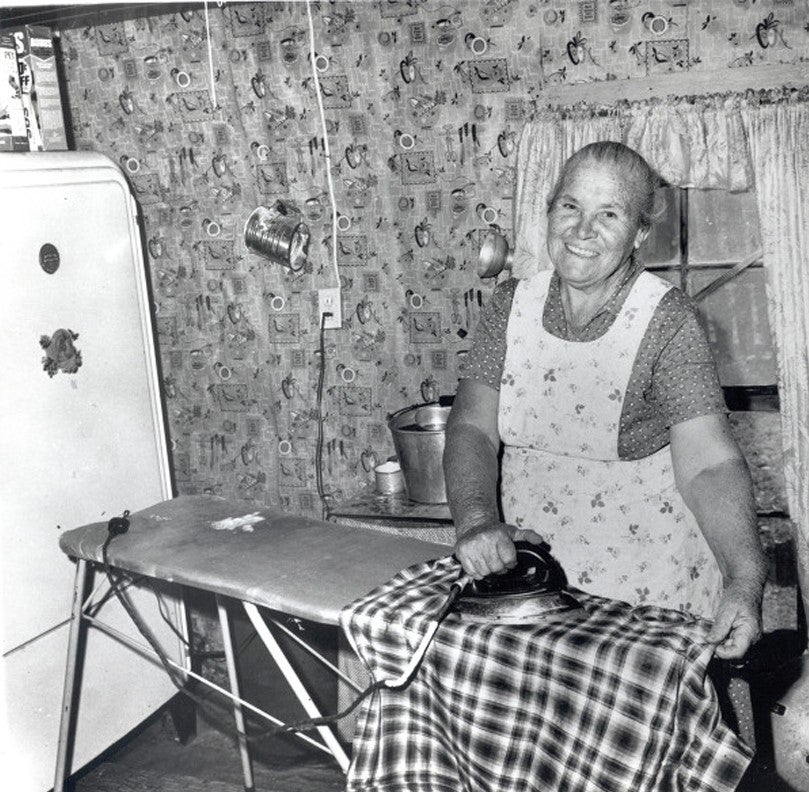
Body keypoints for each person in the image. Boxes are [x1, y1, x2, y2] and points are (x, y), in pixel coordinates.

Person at [443, 141, 767, 660]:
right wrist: (478, 520)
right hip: (534, 584)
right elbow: (471, 429)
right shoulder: (510, 305)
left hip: (645, 592)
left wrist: (743, 579)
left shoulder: (667, 320)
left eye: (609, 214)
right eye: (570, 207)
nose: (582, 230)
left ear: (640, 233)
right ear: (549, 211)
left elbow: (708, 465)